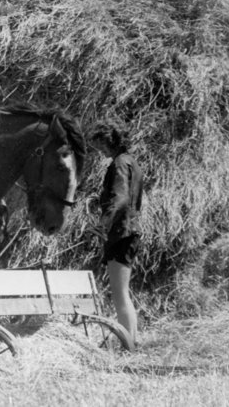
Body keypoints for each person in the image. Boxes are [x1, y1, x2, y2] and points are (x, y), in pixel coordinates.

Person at [88, 122, 145, 349]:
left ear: (109, 141)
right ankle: (131, 342)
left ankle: (128, 345)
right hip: (130, 230)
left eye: (100, 145)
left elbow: (119, 199)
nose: (100, 151)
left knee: (119, 294)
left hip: (121, 232)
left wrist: (102, 226)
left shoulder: (119, 164)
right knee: (123, 293)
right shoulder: (132, 163)